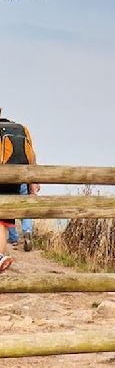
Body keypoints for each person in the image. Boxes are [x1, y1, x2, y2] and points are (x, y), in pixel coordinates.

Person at [0, 111, 37, 272]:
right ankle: (0, 257)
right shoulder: (20, 128)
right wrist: (33, 181)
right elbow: (32, 156)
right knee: (2, 223)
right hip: (14, 181)